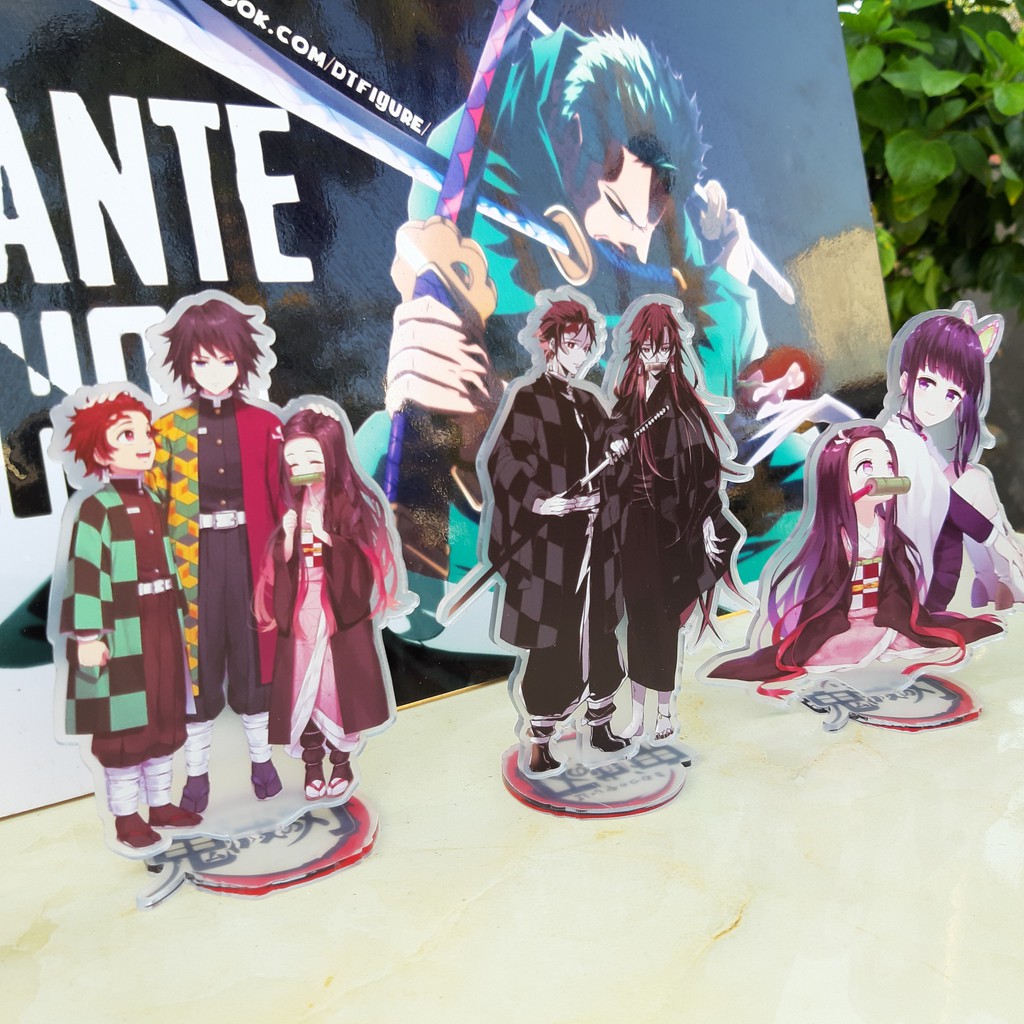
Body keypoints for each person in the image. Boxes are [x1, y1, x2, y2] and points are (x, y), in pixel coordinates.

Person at [366, 27, 772, 629]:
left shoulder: (660, 209)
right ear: (572, 140)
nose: (635, 245)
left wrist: (727, 274)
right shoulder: (481, 169)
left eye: (649, 224)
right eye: (621, 211)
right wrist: (455, 405)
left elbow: (701, 368)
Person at [706, 423, 1002, 689]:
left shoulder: (889, 532)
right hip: (844, 623)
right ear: (838, 477)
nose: (883, 474)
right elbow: (824, 591)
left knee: (909, 638)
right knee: (832, 649)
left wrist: (896, 611)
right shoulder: (836, 539)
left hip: (887, 618)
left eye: (888, 464)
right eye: (866, 465)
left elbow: (898, 584)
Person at [146, 292, 284, 813]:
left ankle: (262, 762)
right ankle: (197, 776)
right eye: (202, 361)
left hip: (252, 557)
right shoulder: (167, 430)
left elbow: (283, 494)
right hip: (191, 561)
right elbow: (152, 504)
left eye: (226, 360)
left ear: (242, 360)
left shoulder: (265, 424)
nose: (215, 372)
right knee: (196, 665)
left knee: (252, 656)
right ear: (184, 364)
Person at [485, 291, 628, 775]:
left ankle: (600, 723)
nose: (580, 354)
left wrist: (619, 446)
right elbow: (505, 461)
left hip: (595, 538)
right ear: (548, 344)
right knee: (553, 639)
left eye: (586, 345)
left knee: (601, 633)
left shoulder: (589, 401)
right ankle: (541, 740)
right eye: (571, 344)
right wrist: (540, 501)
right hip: (552, 547)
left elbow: (611, 447)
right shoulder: (529, 398)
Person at [55, 388, 201, 851]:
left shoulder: (153, 499)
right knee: (125, 723)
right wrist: (87, 635)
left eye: (146, 434)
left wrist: (181, 610)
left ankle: (160, 805)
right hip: (121, 626)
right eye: (126, 435)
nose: (144, 444)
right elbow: (85, 571)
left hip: (161, 622)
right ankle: (125, 816)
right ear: (100, 452)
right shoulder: (95, 508)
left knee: (163, 713)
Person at [606, 298, 746, 742]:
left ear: (672, 350)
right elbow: (610, 445)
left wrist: (705, 520)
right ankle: (637, 711)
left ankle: (665, 711)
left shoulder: (679, 405)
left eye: (663, 348)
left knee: (665, 621)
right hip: (632, 527)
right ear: (637, 349)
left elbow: (703, 469)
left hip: (671, 529)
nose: (656, 357)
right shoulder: (627, 404)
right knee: (637, 618)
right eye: (648, 348)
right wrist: (613, 447)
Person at [256, 407, 402, 801]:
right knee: (301, 688)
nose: (302, 468)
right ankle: (311, 765)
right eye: (294, 460)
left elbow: (363, 564)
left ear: (332, 456)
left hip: (338, 610)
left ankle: (341, 762)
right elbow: (277, 562)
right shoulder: (290, 503)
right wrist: (288, 540)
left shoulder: (349, 502)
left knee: (337, 689)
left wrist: (328, 539)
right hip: (300, 607)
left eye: (312, 458)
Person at [879, 303, 1024, 611]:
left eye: (951, 395)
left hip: (923, 547)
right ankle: (1000, 580)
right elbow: (943, 498)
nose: (936, 403)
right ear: (905, 380)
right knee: (972, 484)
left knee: (972, 478)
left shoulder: (913, 433)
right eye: (927, 383)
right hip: (917, 569)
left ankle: (993, 581)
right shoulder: (899, 438)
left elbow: (940, 487)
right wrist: (998, 540)